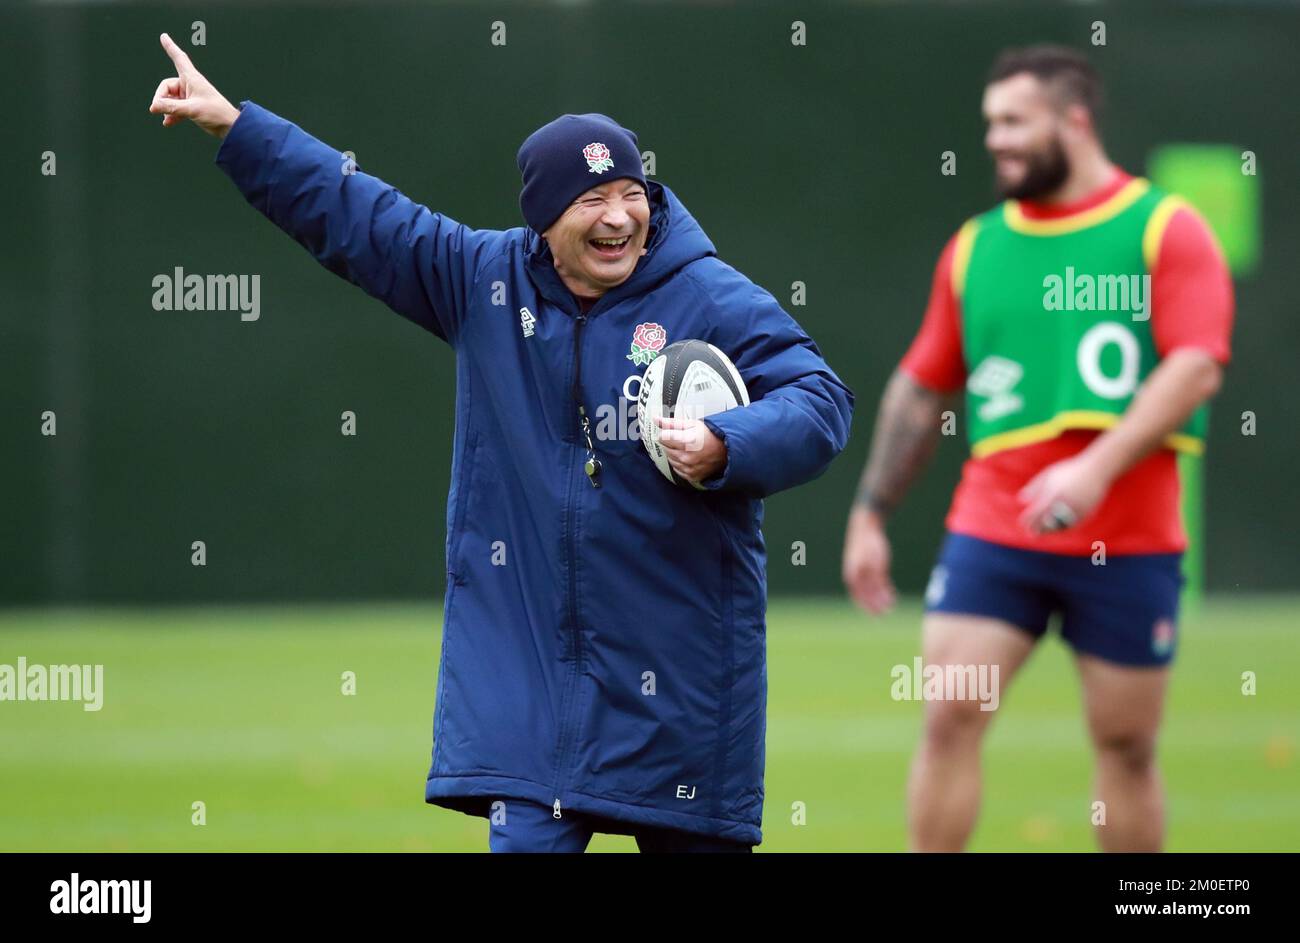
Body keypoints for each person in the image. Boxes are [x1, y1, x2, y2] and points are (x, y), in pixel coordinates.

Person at [150, 33, 853, 852]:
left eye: (631, 193)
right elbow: (354, 212)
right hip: (531, 699)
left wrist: (726, 442)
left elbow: (820, 400)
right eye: (592, 201)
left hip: (682, 692)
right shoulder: (481, 280)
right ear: (543, 220)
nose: (619, 216)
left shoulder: (711, 295)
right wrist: (236, 129)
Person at [842, 45, 1234, 852]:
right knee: (949, 713)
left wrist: (1095, 465)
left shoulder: (1164, 227)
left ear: (1074, 120)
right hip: (997, 527)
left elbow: (1197, 366)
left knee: (1127, 745)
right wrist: (870, 513)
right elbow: (922, 386)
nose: (997, 140)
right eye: (990, 125)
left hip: (1127, 535)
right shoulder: (976, 245)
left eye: (1014, 122)